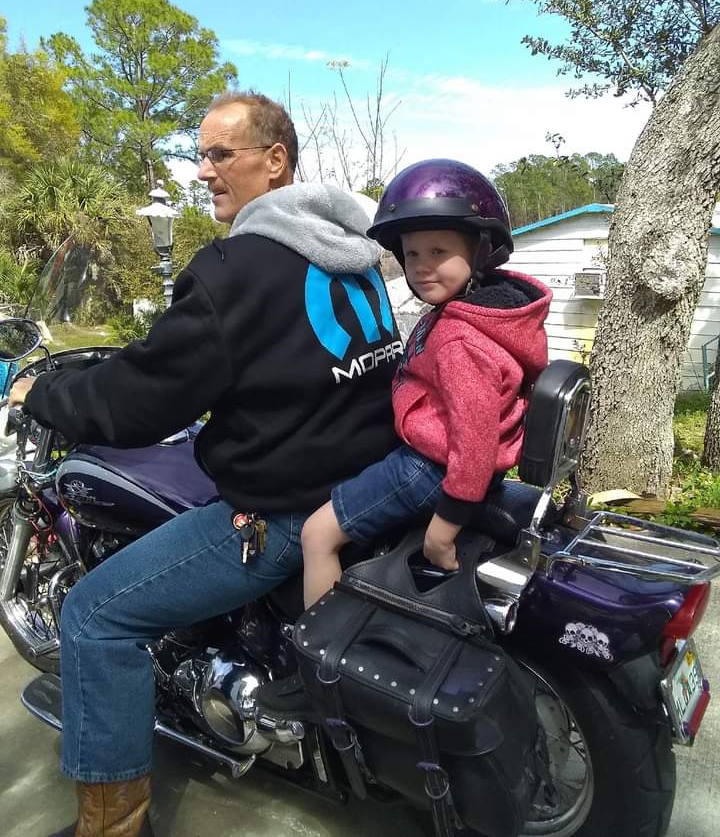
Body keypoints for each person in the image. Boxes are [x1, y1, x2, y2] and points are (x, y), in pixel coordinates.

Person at [9, 90, 400, 837]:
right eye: (201, 155)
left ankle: (112, 828)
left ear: (275, 159)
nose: (203, 171)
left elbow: (140, 405)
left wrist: (43, 392)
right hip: (362, 490)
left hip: (283, 514)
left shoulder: (238, 268)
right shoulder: (354, 258)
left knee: (94, 616)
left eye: (220, 154)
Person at [300, 158, 552, 608]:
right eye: (412, 254)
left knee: (317, 536)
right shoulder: (486, 314)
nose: (421, 267)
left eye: (438, 252)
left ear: (479, 251)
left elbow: (473, 444)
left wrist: (443, 530)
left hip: (429, 472)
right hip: (441, 465)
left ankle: (318, 646)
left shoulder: (460, 339)